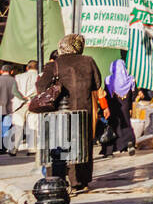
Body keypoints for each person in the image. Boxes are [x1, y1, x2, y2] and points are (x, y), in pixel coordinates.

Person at [36, 34, 107, 193]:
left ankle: (57, 180)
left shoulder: (54, 65)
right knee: (81, 145)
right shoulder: (88, 61)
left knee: (58, 146)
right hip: (83, 111)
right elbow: (97, 84)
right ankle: (79, 182)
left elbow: (41, 86)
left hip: (59, 113)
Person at [101, 58, 137, 158]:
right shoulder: (130, 79)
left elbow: (106, 95)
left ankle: (109, 151)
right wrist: (130, 107)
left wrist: (106, 107)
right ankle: (129, 144)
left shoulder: (108, 80)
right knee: (126, 125)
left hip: (113, 106)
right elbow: (134, 95)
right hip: (125, 106)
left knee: (112, 127)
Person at [12, 60, 38, 153]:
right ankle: (32, 148)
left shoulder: (18, 77)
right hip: (33, 103)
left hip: (20, 104)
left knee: (18, 126)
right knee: (33, 125)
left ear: (27, 67)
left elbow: (14, 91)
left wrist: (23, 99)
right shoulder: (39, 76)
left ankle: (14, 147)